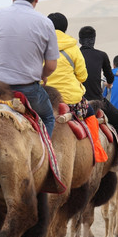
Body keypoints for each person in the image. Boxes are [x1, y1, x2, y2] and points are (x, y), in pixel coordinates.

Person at [0, 0, 59, 136]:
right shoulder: (45, 23)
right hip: (28, 90)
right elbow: (51, 65)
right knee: (48, 117)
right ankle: (47, 157)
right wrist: (42, 74)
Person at [46, 13, 107, 163]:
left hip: (45, 96)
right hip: (70, 99)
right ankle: (97, 151)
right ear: (65, 28)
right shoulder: (73, 48)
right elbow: (83, 76)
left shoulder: (40, 45)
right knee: (90, 113)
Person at [79, 26, 118, 170]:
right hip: (97, 101)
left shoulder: (75, 54)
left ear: (80, 40)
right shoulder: (102, 55)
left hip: (77, 100)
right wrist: (109, 83)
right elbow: (110, 77)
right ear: (94, 40)